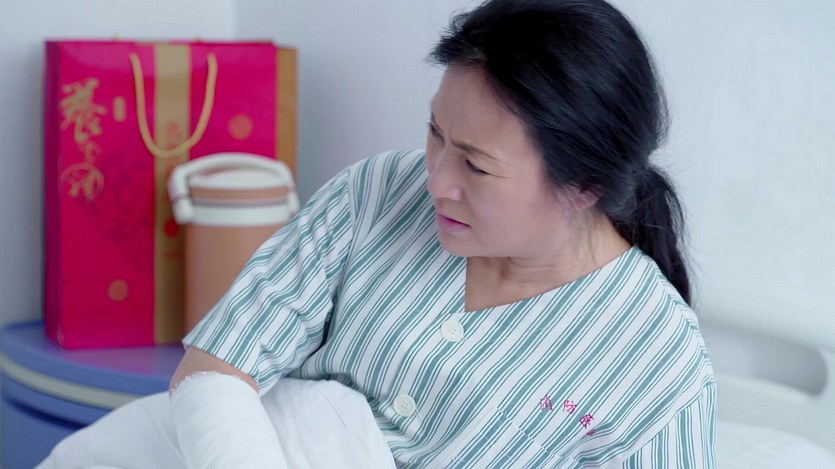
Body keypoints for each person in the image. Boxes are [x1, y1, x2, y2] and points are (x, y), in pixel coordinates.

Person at [39, 0, 715, 467]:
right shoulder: (377, 191)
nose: (436, 180)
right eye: (435, 133)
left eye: (477, 166)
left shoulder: (656, 364)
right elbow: (216, 368)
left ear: (584, 185)